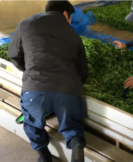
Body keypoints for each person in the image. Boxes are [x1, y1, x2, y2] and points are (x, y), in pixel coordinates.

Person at [7, 1, 89, 162]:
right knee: (73, 128)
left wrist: (30, 70)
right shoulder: (73, 34)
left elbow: (13, 55)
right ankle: (77, 146)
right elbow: (83, 72)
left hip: (34, 91)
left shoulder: (26, 24)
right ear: (65, 14)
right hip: (68, 91)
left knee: (31, 124)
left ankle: (44, 156)